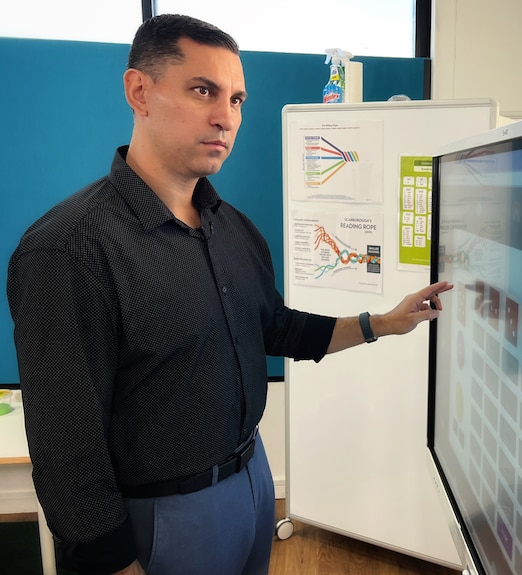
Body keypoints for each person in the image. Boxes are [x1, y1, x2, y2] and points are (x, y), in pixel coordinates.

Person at [6, 14, 452, 575]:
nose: (226, 118)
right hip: (159, 518)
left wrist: (381, 323)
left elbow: (275, 328)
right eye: (203, 91)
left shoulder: (233, 228)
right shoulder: (70, 248)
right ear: (139, 91)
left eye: (237, 99)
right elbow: (67, 445)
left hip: (252, 483)